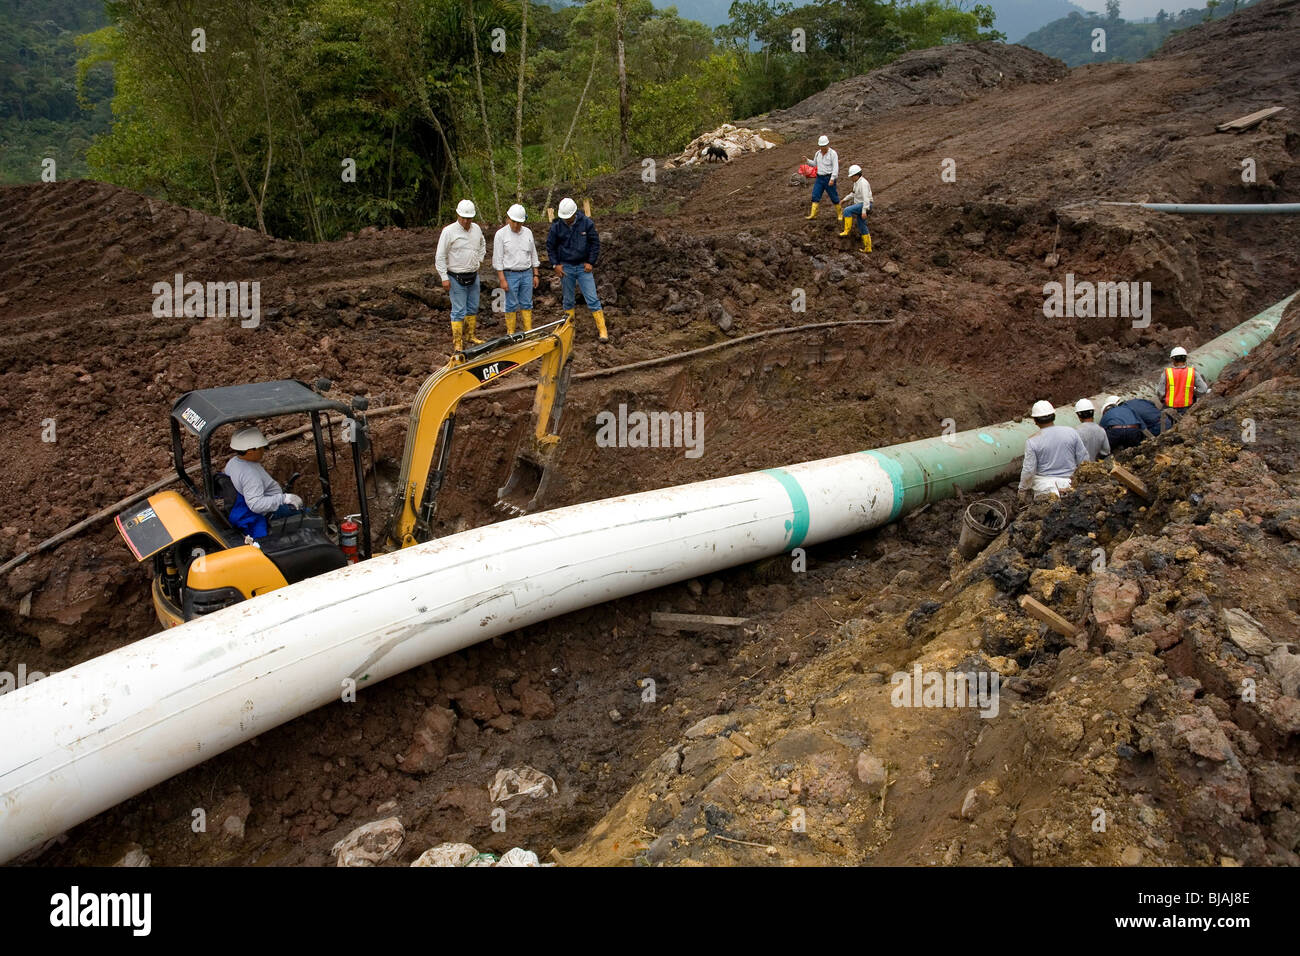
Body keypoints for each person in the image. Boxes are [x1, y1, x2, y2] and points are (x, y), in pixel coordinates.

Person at [546, 197, 608, 343]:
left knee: (592, 299)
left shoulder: (586, 223)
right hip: (566, 267)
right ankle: (570, 330)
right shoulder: (557, 226)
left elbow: (594, 243)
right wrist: (555, 264)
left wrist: (590, 262)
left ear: (574, 214)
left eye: (569, 218)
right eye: (564, 218)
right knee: (568, 301)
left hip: (583, 267)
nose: (566, 220)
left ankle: (602, 329)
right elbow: (550, 246)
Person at [224, 427, 303, 539]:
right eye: (261, 448)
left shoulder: (233, 463)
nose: (263, 450)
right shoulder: (250, 475)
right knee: (308, 515)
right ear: (251, 451)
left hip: (244, 504)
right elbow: (256, 505)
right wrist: (284, 498)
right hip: (268, 512)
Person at [435, 199, 487, 351]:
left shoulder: (476, 229)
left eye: (469, 218)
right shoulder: (449, 231)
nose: (466, 221)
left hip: (473, 274)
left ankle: (470, 335)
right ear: (457, 215)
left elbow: (482, 244)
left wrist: (480, 259)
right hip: (455, 276)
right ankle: (457, 341)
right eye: (463, 218)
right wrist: (444, 277)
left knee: (472, 307)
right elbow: (440, 256)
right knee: (458, 310)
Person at [1018, 400, 1088, 500]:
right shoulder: (1071, 432)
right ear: (1054, 416)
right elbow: (1084, 459)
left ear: (1035, 420)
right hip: (1070, 484)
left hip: (1045, 488)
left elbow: (1029, 470)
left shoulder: (1032, 441)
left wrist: (1022, 489)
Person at [493, 203, 540, 334]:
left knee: (527, 303)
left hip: (527, 272)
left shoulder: (528, 233)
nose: (516, 225)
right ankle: (511, 332)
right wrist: (502, 279)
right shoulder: (501, 235)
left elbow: (533, 254)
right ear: (508, 219)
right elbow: (498, 259)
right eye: (513, 221)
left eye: (519, 222)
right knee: (511, 304)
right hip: (510, 273)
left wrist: (535, 274)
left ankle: (528, 330)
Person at [1158, 346, 1208, 423]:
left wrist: (1164, 399)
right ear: (1185, 359)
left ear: (1172, 359)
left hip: (1169, 409)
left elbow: (1160, 392)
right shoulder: (1192, 372)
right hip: (1187, 409)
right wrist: (1193, 391)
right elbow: (1203, 389)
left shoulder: (1166, 373)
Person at [1099, 395, 1166, 451]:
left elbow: (1101, 431)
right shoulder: (1131, 407)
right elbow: (1141, 424)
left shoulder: (1107, 415)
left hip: (1159, 429)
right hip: (1165, 422)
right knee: (1135, 449)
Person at [804, 135, 841, 221]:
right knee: (815, 195)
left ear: (827, 144)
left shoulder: (833, 154)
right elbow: (815, 164)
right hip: (819, 178)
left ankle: (840, 213)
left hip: (829, 178)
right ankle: (813, 214)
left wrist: (832, 179)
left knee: (834, 197)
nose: (822, 148)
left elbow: (836, 167)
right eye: (821, 146)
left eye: (824, 146)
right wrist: (807, 161)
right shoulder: (817, 154)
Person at [838, 164, 873, 252]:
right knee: (862, 226)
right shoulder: (856, 183)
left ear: (857, 175)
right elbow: (853, 194)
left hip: (865, 204)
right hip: (861, 205)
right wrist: (844, 200)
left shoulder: (863, 183)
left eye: (852, 176)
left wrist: (864, 211)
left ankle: (846, 230)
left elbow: (866, 198)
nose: (851, 178)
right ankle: (868, 248)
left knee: (847, 210)